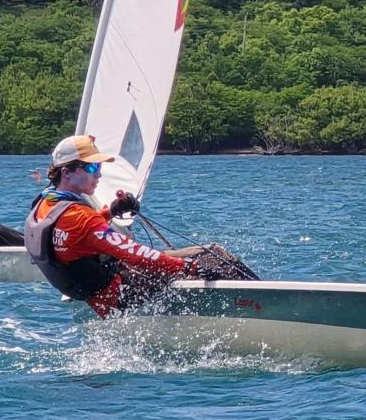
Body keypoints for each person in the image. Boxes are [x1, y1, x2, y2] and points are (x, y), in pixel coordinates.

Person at [25, 135, 257, 319]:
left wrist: (110, 212)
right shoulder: (80, 217)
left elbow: (78, 235)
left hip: (97, 295)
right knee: (212, 255)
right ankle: (263, 302)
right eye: (93, 169)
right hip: (120, 294)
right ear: (67, 172)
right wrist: (189, 268)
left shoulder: (45, 204)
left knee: (200, 260)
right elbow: (136, 254)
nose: (99, 175)